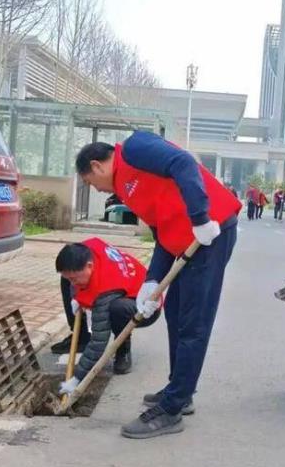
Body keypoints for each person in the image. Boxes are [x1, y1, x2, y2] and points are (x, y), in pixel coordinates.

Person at [75, 131, 240, 438]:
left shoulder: (134, 149)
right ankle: (180, 389)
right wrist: (151, 280)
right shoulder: (126, 190)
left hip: (211, 234)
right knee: (175, 315)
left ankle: (172, 409)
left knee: (193, 323)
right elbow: (161, 232)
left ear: (96, 165)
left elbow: (183, 164)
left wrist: (200, 218)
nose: (95, 189)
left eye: (90, 182)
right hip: (187, 243)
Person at [54, 239, 157, 378]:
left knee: (117, 309)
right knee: (68, 277)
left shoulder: (106, 287)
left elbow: (99, 341)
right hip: (122, 290)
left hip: (146, 307)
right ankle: (81, 338)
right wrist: (76, 296)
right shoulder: (86, 249)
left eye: (74, 279)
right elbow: (72, 273)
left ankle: (122, 349)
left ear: (89, 266)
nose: (73, 283)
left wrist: (77, 378)